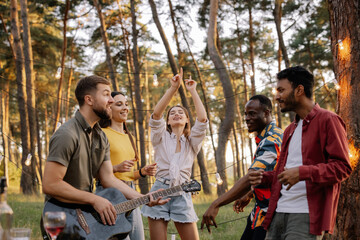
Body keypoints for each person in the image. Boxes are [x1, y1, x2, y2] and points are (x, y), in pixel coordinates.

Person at [42, 75, 169, 236]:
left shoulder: (100, 137)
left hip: (85, 216)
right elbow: (50, 184)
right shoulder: (67, 134)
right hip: (58, 217)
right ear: (89, 99)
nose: (111, 100)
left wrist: (143, 197)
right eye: (106, 94)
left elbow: (108, 178)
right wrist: (94, 199)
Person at [249, 66, 352, 239]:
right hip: (278, 213)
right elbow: (285, 174)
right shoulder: (290, 129)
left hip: (306, 216)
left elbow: (342, 168)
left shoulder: (329, 120)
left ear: (299, 90)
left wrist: (303, 172)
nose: (276, 97)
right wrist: (265, 177)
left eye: (281, 90)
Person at [201, 95, 283, 240]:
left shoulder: (271, 140)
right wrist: (251, 193)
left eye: (252, 113)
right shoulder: (273, 135)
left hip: (270, 216)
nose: (246, 118)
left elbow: (251, 178)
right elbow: (270, 173)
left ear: (266, 113)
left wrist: (216, 203)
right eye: (246, 114)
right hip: (259, 212)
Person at [141, 68, 208, 240]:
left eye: (181, 113)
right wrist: (173, 89)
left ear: (186, 120)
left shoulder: (192, 141)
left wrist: (192, 91)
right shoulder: (160, 137)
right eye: (172, 113)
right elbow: (156, 115)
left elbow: (202, 120)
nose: (176, 114)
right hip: (159, 190)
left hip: (183, 192)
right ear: (168, 121)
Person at [98, 91, 157, 240]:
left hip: (130, 191)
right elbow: (95, 170)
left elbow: (128, 175)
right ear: (109, 108)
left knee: (138, 237)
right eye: (119, 104)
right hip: (110, 193)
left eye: (126, 104)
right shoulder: (102, 134)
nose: (125, 108)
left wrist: (142, 172)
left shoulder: (129, 136)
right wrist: (116, 167)